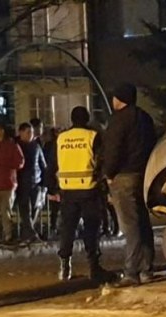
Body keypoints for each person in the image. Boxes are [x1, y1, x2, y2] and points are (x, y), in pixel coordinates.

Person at [47, 106, 113, 282]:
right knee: (91, 228)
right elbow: (101, 161)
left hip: (68, 190)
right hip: (89, 189)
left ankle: (64, 268)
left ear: (71, 119)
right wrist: (104, 183)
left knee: (68, 229)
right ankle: (93, 266)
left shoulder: (61, 138)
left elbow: (53, 163)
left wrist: (50, 187)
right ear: (87, 119)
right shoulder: (92, 136)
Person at [103, 83, 157, 286]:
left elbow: (113, 148)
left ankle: (131, 271)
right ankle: (147, 268)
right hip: (143, 174)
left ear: (120, 98)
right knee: (142, 221)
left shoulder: (118, 120)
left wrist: (109, 173)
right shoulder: (144, 118)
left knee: (129, 225)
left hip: (123, 176)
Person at [15, 122, 48, 245]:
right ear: (21, 133)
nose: (31, 135)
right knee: (25, 210)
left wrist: (44, 183)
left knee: (35, 208)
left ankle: (27, 235)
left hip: (36, 183)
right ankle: (31, 234)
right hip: (21, 184)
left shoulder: (36, 147)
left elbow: (42, 165)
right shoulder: (16, 146)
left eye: (32, 132)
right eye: (28, 132)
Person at [43, 126, 62, 238]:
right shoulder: (51, 146)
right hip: (57, 180)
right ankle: (55, 227)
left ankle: (56, 227)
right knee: (55, 208)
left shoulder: (51, 145)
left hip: (60, 180)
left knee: (59, 207)